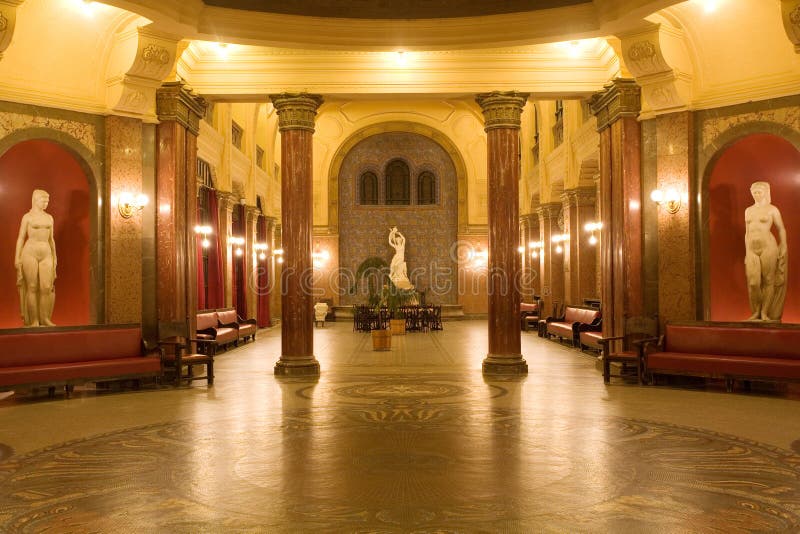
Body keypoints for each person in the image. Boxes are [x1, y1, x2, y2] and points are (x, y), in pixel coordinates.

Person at [744, 181, 787, 321]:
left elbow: (781, 228)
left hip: (768, 246)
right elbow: (747, 232)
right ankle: (756, 311)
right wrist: (746, 252)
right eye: (754, 192)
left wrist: (784, 244)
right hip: (751, 248)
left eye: (759, 192)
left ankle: (764, 312)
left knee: (768, 280)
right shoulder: (748, 210)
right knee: (753, 282)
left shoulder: (772, 209)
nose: (756, 194)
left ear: (765, 192)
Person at [15, 189, 57, 327]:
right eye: (43, 200)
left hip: (46, 252)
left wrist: (55, 257)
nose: (46, 203)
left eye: (47, 201)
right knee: (32, 287)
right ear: (35, 199)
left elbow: (51, 240)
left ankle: (44, 318)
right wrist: (17, 257)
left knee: (46, 287)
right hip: (30, 252)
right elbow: (21, 238)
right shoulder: (27, 217)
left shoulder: (49, 218)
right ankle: (33, 320)